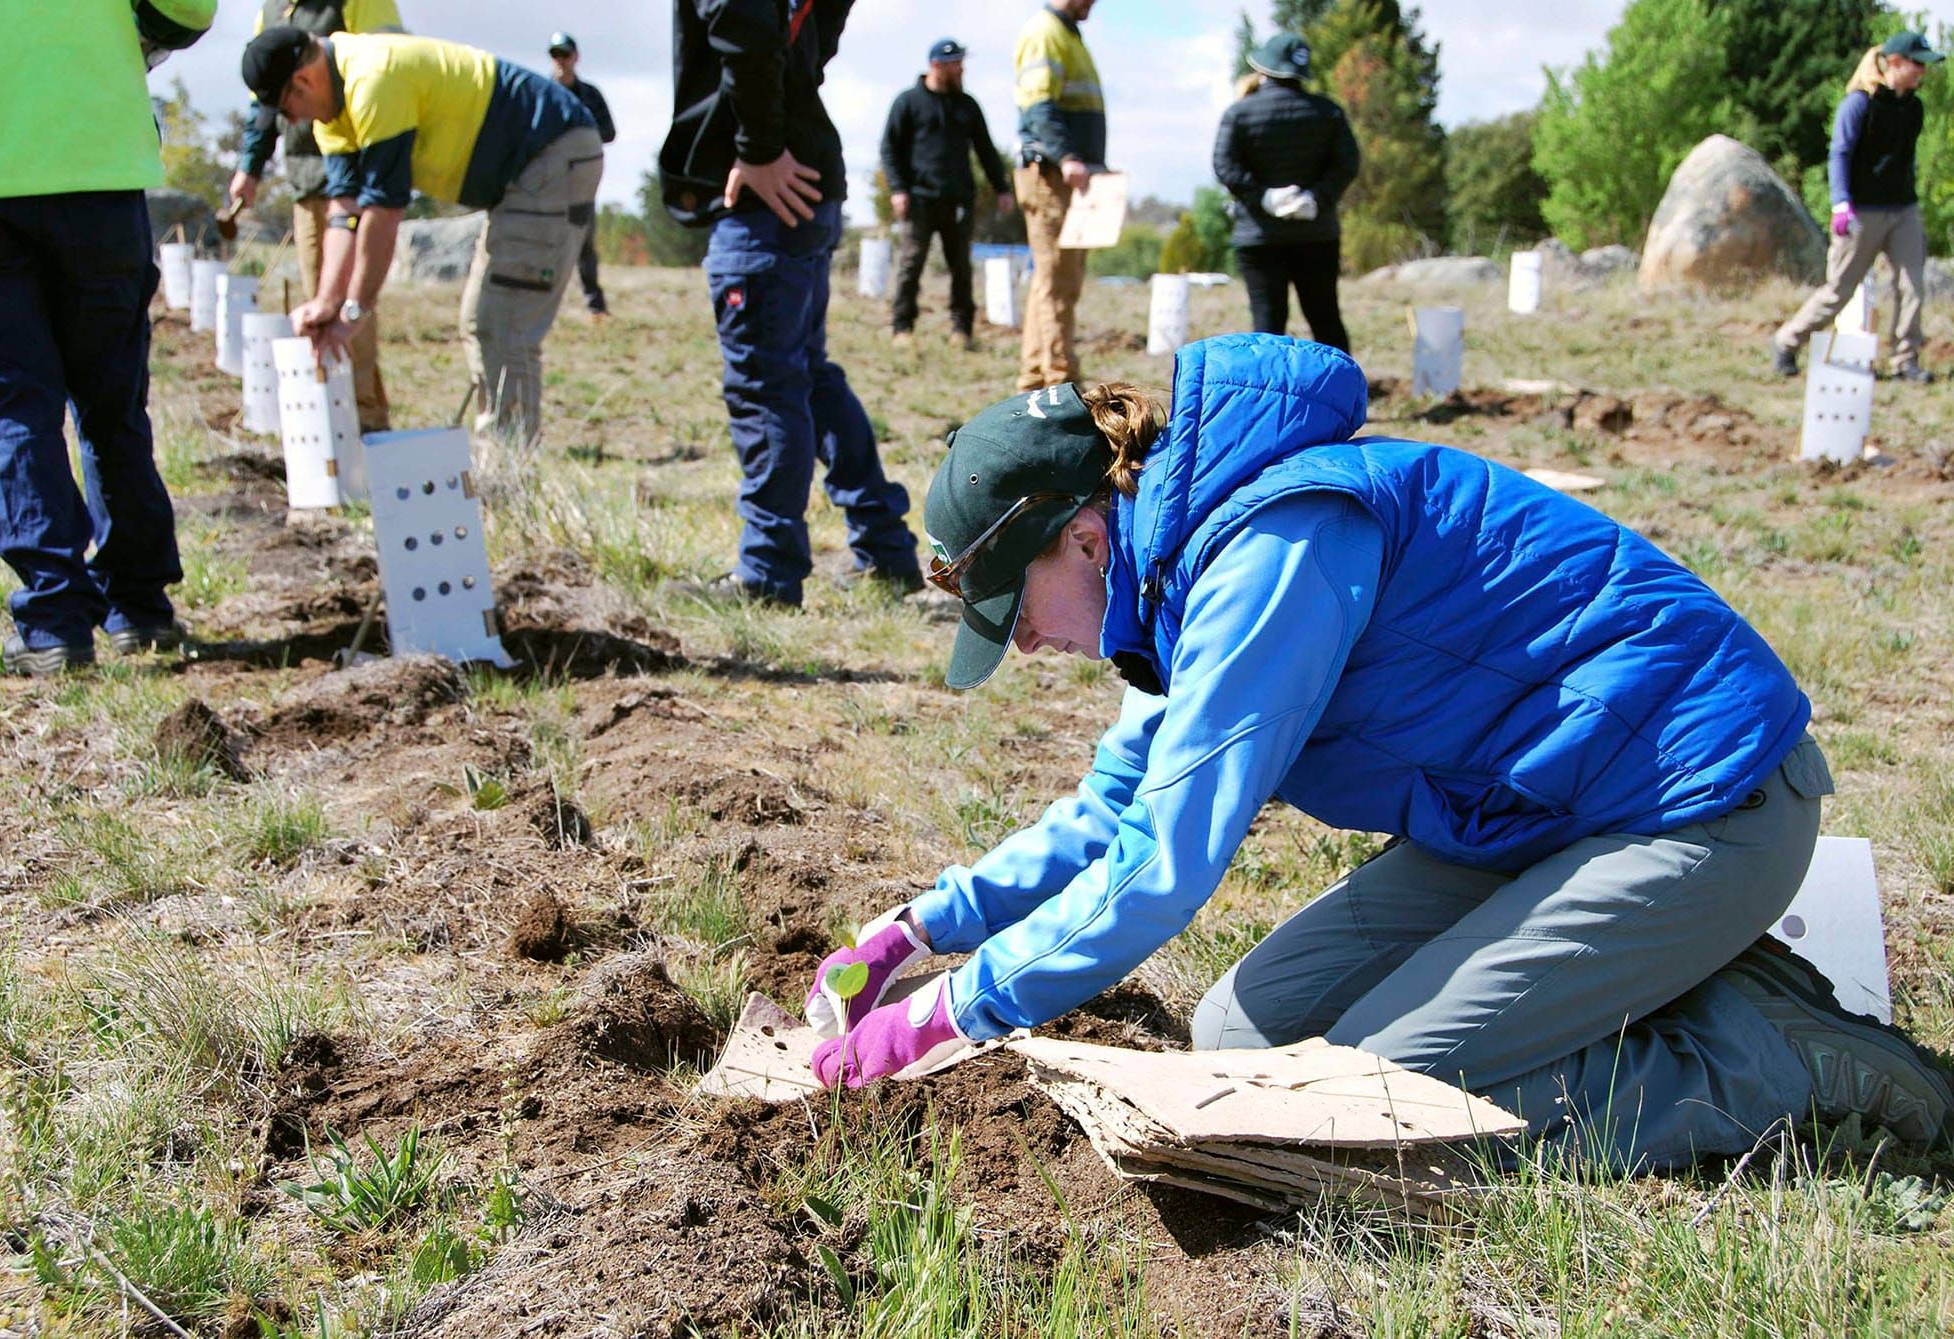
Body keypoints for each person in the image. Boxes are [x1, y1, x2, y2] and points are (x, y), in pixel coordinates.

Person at [802, 333, 1954, 1168]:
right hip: (1532, 813)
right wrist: (918, 930)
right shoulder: (1175, 579)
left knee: (1373, 1113)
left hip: (1694, 799)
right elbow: (1114, 808)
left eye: (1018, 609)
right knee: (1243, 1039)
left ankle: (1778, 1060)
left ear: (1084, 535)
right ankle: (1648, 967)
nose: (1029, 646)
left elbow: (1160, 864)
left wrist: (954, 1012)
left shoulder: (1268, 554)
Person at [0, 0, 216, 675]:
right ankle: (139, 609)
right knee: (110, 404)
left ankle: (52, 625)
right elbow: (190, 7)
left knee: (15, 406)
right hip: (99, 167)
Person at [658, 0, 922, 608]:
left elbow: (744, 22)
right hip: (803, 174)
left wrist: (756, 148)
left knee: (768, 386)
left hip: (769, 188)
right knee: (807, 377)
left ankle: (767, 574)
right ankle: (885, 552)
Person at [239, 26, 603, 448]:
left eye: (287, 108)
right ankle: (504, 463)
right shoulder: (334, 110)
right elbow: (345, 212)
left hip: (552, 151)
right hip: (521, 172)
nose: (295, 120)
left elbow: (383, 210)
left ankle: (509, 477)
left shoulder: (373, 80)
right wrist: (326, 301)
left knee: (500, 324)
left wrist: (355, 310)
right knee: (483, 322)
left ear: (302, 81)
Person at [230, 0, 404, 432]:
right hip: (307, 178)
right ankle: (335, 425)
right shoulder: (270, 12)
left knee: (349, 305)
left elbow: (388, 61)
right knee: (320, 303)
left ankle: (366, 427)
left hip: (358, 172)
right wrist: (250, 166)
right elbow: (263, 102)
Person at [1773, 31, 1943, 382]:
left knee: (1913, 287)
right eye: (1917, 65)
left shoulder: (1914, 108)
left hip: (1902, 210)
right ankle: (1787, 342)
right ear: (1895, 63)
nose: (1922, 73)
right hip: (1861, 212)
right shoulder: (1859, 104)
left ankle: (1904, 362)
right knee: (1839, 290)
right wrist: (1840, 204)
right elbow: (1840, 153)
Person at [1213, 32, 1359, 352]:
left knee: (1267, 326)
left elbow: (1224, 166)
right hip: (1316, 234)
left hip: (1259, 236)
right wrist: (1316, 199)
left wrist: (1261, 197)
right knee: (1325, 320)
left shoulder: (1239, 114)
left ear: (1263, 67)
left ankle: (1271, 400)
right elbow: (1347, 163)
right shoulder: (1328, 112)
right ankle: (1343, 396)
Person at [879, 38, 1015, 348]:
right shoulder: (908, 103)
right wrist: (898, 190)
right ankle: (902, 327)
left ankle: (962, 330)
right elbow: (889, 149)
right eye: (956, 64)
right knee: (911, 264)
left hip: (958, 200)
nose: (961, 69)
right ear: (937, 65)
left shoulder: (967, 106)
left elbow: (986, 150)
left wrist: (1002, 189)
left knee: (961, 268)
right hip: (919, 199)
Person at [1012, 0, 1104, 392]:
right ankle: (1061, 383)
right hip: (1053, 176)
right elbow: (1038, 105)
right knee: (1059, 281)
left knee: (1051, 281)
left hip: (1064, 176)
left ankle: (1036, 377)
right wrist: (1067, 157)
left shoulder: (1065, 34)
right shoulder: (1045, 32)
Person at [547, 31, 616, 319]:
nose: (560, 60)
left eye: (565, 54)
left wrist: (580, 138)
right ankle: (544, 307)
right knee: (548, 242)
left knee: (584, 244)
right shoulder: (542, 92)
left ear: (576, 57)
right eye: (555, 55)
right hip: (548, 180)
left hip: (582, 180)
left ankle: (595, 306)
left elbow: (609, 132)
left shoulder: (591, 95)